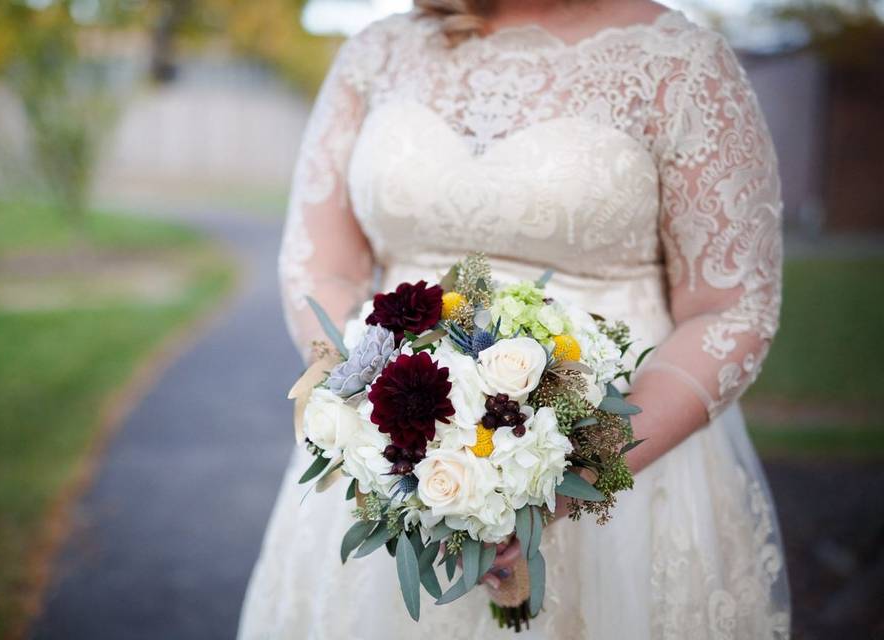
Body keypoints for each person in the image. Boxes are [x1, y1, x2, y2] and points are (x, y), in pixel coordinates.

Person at [239, 0, 790, 637]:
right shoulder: (376, 54)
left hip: (627, 477)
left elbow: (730, 309)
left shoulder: (681, 63)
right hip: (388, 466)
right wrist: (370, 419)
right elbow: (321, 267)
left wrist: (569, 474)